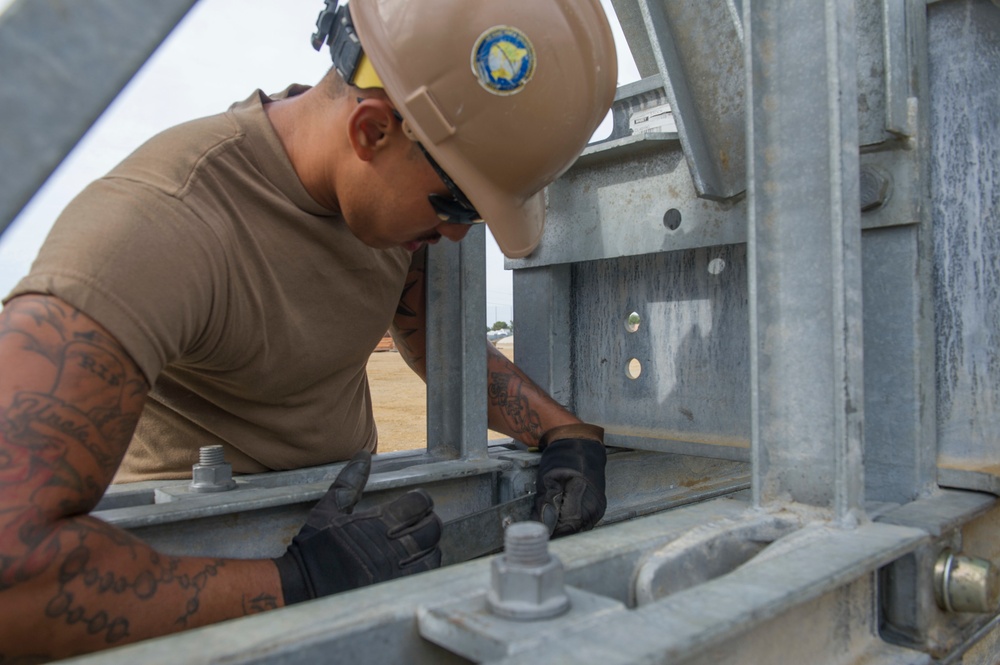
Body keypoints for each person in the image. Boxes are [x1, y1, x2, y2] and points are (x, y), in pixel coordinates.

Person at [0, 0, 617, 658]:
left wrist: (564, 433)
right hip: (196, 605)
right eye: (458, 202)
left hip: (350, 557)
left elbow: (435, 341)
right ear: (372, 132)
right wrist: (296, 580)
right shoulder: (156, 226)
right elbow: (14, 577)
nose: (460, 233)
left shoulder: (392, 214)